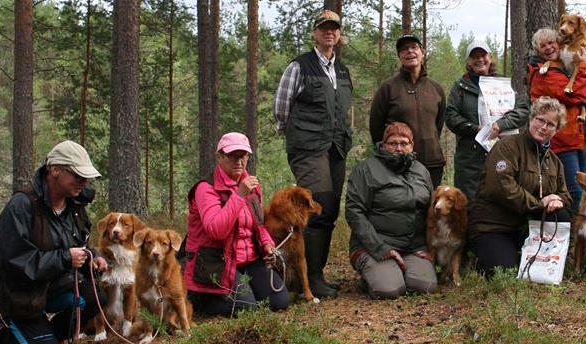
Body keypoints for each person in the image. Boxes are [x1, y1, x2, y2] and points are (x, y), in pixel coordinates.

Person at [0, 140, 107, 344]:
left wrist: (92, 256)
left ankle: (51, 337)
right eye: (77, 175)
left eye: (86, 177)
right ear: (55, 170)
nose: (84, 182)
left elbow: (78, 243)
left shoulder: (74, 206)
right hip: (21, 297)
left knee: (97, 298)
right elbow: (16, 263)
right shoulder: (22, 206)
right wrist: (64, 259)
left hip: (53, 287)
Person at [273, 9, 352, 298]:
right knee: (318, 206)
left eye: (334, 28)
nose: (329, 32)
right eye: (323, 28)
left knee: (330, 211)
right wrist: (294, 133)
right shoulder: (299, 66)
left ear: (339, 34)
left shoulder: (342, 71)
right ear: (315, 33)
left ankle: (315, 273)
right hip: (308, 148)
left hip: (337, 146)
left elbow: (343, 109)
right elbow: (281, 107)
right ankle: (310, 280)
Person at [184, 132, 290, 316]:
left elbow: (258, 224)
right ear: (219, 157)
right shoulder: (206, 189)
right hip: (218, 264)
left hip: (249, 260)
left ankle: (241, 288)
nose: (239, 161)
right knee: (247, 309)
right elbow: (216, 230)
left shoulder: (251, 185)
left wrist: (267, 244)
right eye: (232, 156)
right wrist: (239, 195)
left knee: (279, 301)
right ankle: (200, 299)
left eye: (243, 156)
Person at [470, 96, 572, 278]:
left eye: (550, 124)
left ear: (557, 130)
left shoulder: (554, 162)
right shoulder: (507, 146)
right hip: (494, 226)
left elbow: (565, 195)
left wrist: (558, 200)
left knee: (560, 213)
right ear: (531, 119)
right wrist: (540, 204)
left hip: (526, 228)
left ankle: (547, 262)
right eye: (540, 120)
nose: (543, 127)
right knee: (504, 273)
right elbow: (501, 188)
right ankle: (483, 256)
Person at [346, 122, 437, 299]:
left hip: (413, 247)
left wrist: (432, 248)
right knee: (389, 290)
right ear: (384, 145)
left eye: (404, 143)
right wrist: (381, 248)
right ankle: (372, 274)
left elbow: (431, 212)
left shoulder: (421, 170)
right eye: (393, 143)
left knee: (425, 287)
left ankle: (399, 271)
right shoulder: (365, 170)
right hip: (375, 246)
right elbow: (354, 211)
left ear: (412, 146)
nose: (398, 148)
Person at [445, 40, 530, 202]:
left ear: (490, 57)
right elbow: (450, 116)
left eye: (483, 55)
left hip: (503, 152)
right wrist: (475, 129)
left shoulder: (503, 84)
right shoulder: (460, 87)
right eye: (474, 56)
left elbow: (523, 110)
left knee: (503, 199)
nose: (480, 60)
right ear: (468, 61)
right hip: (470, 157)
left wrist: (501, 125)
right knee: (470, 204)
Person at [527, 28, 586, 214]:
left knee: (581, 189)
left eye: (551, 43)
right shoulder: (543, 73)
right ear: (538, 50)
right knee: (574, 192)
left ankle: (577, 234)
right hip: (562, 141)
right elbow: (573, 95)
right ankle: (570, 238)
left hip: (579, 137)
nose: (548, 48)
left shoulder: (564, 65)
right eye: (543, 45)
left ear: (558, 43)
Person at [370, 34, 447, 187]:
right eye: (404, 49)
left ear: (422, 53)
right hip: (400, 164)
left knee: (430, 208)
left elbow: (437, 125)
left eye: (414, 47)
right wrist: (390, 157)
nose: (410, 51)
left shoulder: (436, 89)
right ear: (400, 57)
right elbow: (376, 127)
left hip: (432, 163)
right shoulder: (388, 88)